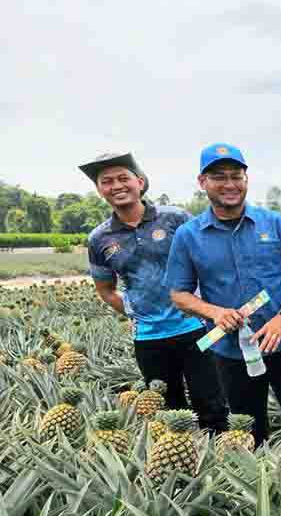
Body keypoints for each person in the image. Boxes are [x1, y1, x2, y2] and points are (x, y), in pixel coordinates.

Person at [164, 143, 281, 450]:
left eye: (236, 176)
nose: (229, 184)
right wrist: (214, 313)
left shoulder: (275, 223)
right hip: (231, 351)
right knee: (247, 429)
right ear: (202, 182)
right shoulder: (188, 235)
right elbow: (179, 294)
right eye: (219, 177)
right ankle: (261, 488)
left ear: (246, 179)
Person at [81, 151, 227, 433]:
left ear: (140, 182)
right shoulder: (99, 238)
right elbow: (106, 289)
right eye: (107, 181)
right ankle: (184, 470)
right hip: (149, 338)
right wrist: (138, 314)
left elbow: (210, 258)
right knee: (168, 409)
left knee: (212, 402)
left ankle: (221, 464)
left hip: (197, 328)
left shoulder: (174, 218)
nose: (117, 186)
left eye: (124, 178)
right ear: (100, 190)